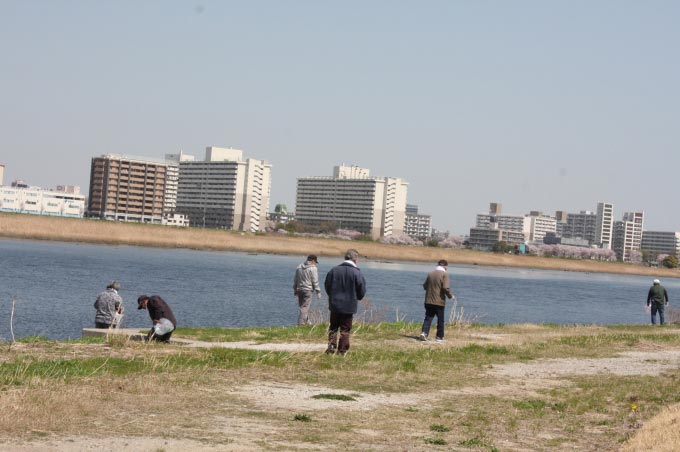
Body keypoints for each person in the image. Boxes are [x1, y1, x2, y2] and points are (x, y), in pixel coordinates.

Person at [324, 249, 366, 355]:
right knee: (345, 329)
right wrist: (358, 297)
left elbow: (327, 285)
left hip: (335, 304)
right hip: (349, 305)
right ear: (355, 259)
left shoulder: (334, 270)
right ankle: (342, 350)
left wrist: (332, 296)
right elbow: (361, 289)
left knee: (333, 327)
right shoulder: (356, 272)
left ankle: (331, 347)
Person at [420, 259, 454, 342]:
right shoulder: (444, 274)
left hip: (428, 301)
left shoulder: (430, 273)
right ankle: (439, 337)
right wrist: (450, 296)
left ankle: (424, 333)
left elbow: (425, 286)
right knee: (440, 320)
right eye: (447, 266)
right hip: (439, 302)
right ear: (445, 266)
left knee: (428, 318)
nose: (447, 268)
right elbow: (445, 288)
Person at [293, 254, 322, 325]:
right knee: (304, 308)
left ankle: (308, 323)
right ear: (312, 261)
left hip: (299, 290)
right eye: (315, 262)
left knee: (303, 307)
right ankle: (300, 324)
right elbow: (315, 281)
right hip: (307, 290)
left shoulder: (299, 267)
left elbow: (295, 280)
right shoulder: (313, 268)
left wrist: (295, 289)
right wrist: (318, 291)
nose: (316, 263)